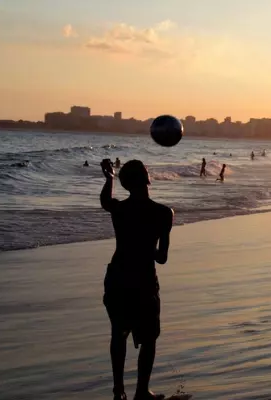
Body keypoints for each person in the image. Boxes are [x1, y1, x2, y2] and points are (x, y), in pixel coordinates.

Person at [99, 159, 173, 400]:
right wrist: (145, 245)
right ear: (147, 178)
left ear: (126, 184)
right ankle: (142, 391)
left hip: (118, 276)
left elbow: (105, 202)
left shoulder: (120, 210)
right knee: (149, 338)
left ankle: (118, 390)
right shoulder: (164, 213)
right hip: (143, 280)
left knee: (118, 333)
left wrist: (109, 178)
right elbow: (162, 258)